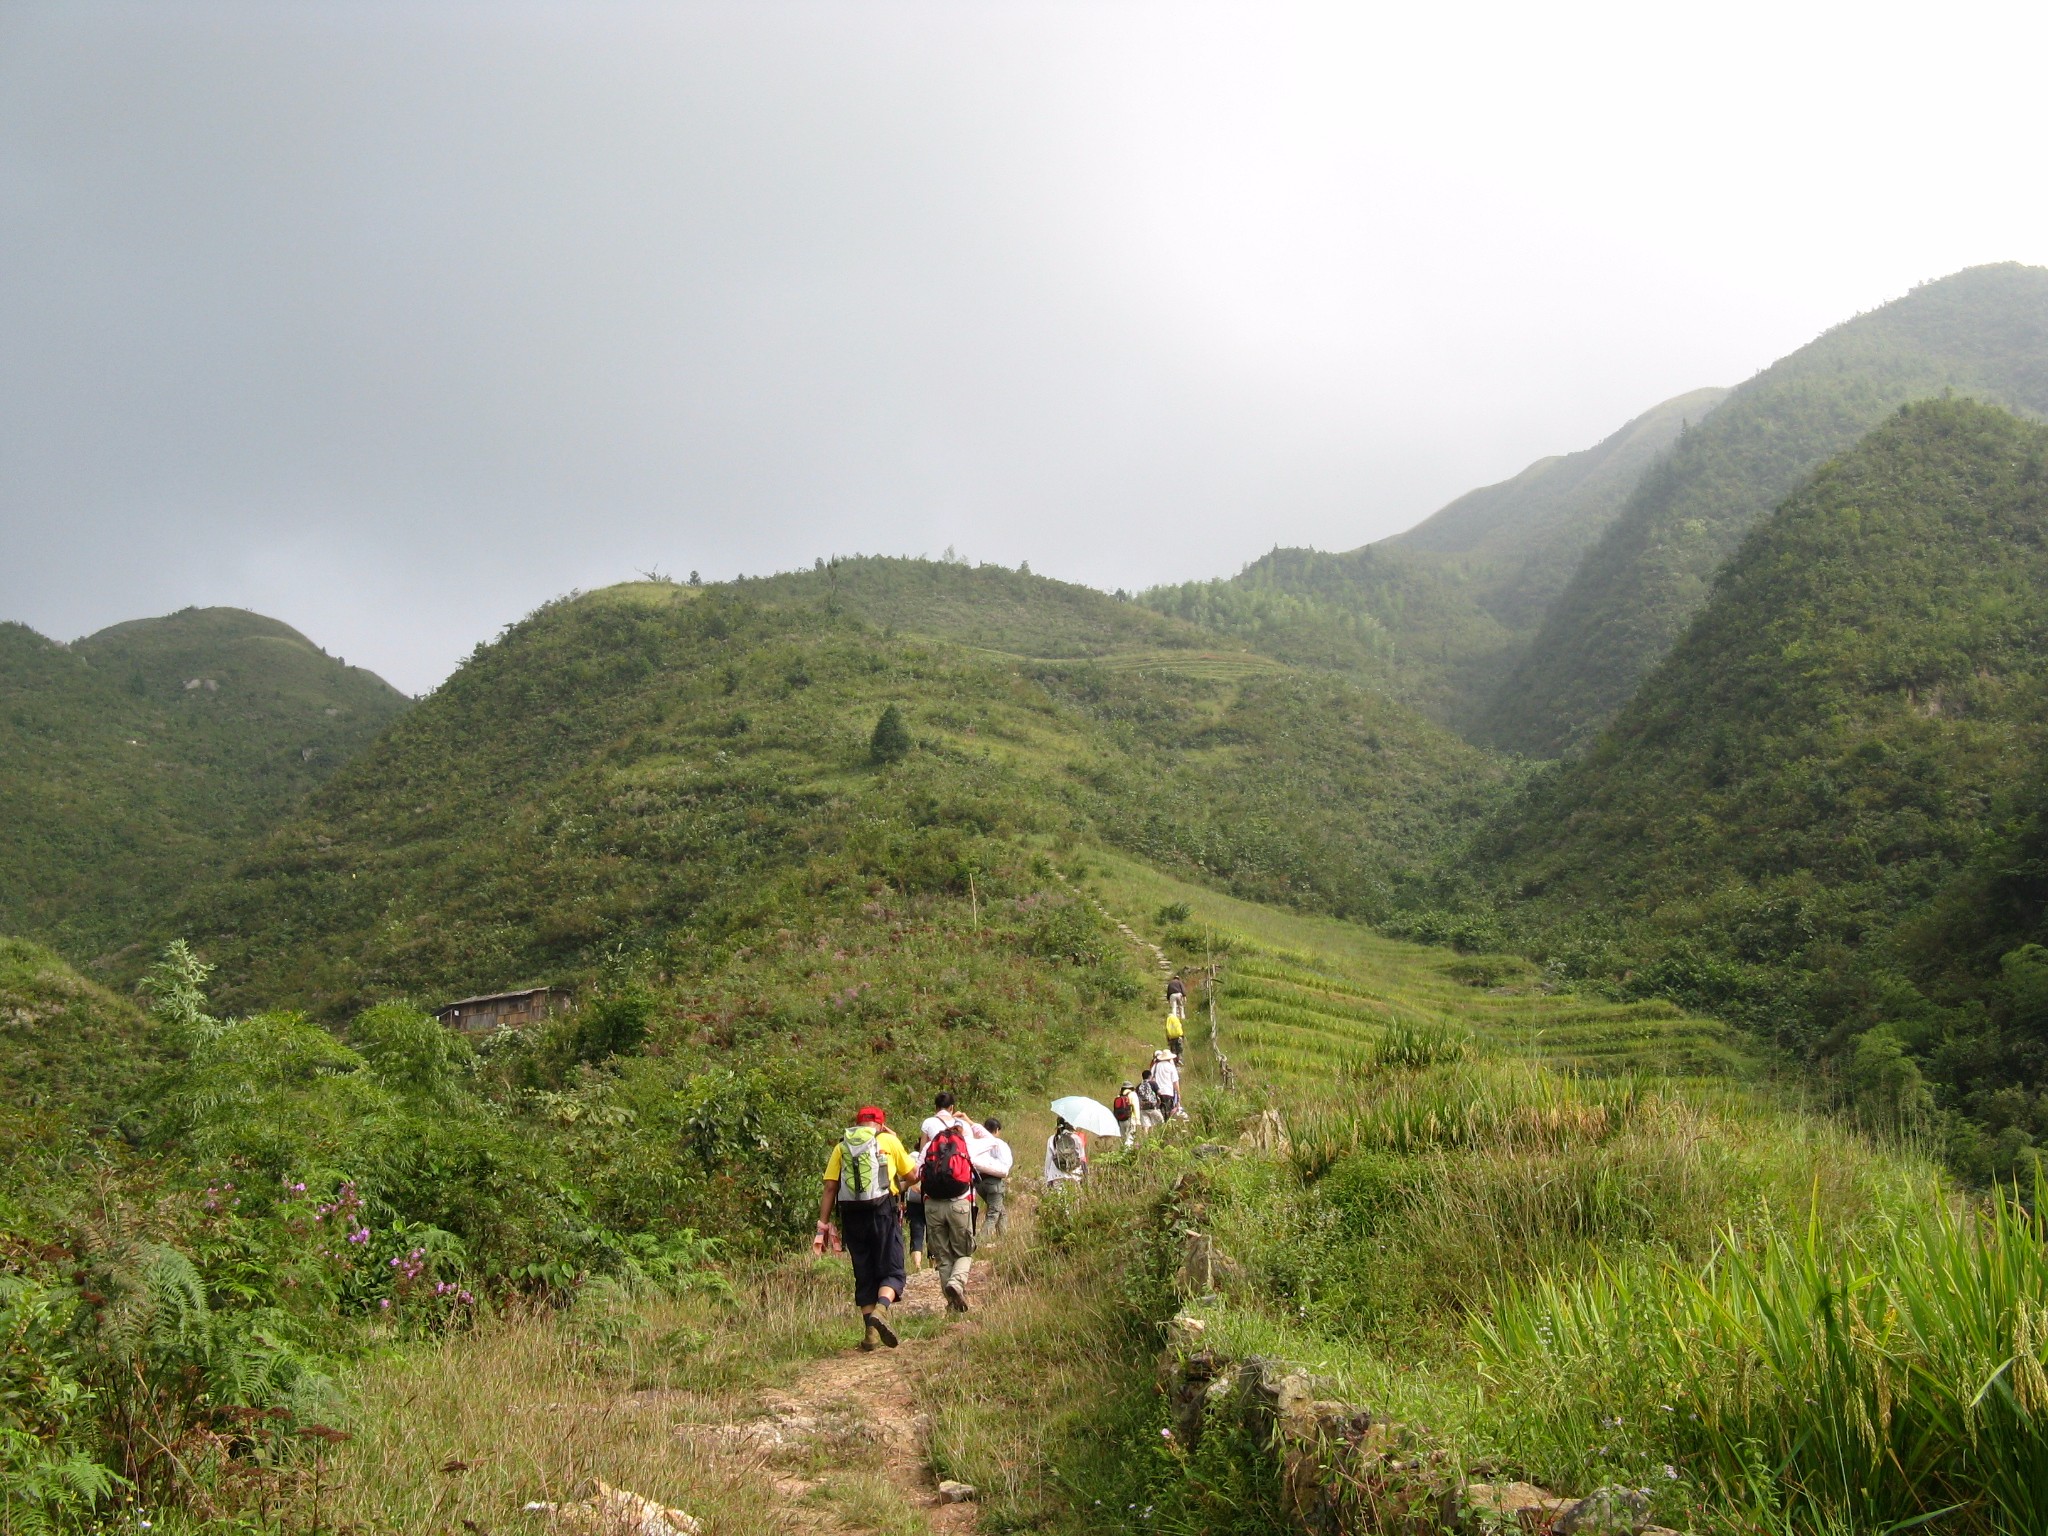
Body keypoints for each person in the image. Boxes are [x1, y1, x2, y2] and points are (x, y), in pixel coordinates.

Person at [816, 1105, 917, 1351]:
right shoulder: (888, 1142)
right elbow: (914, 1175)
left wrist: (823, 1225)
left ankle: (870, 1335)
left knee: (864, 1271)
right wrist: (897, 1185)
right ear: (881, 1124)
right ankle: (881, 1310)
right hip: (883, 1211)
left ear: (857, 1123)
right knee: (893, 1270)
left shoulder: (842, 1147)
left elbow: (830, 1187)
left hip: (852, 1216)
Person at [919, 1097, 979, 1312]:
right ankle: (956, 1284)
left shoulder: (929, 1146)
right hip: (959, 1204)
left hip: (933, 1206)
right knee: (964, 1253)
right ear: (953, 1109)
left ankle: (952, 1306)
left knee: (943, 1258)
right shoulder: (965, 1143)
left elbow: (919, 1173)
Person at [973, 1116, 1014, 1238]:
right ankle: (981, 1239)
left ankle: (1004, 1237)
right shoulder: (999, 1144)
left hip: (979, 1183)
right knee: (993, 1213)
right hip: (994, 1183)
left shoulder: (977, 1143)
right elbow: (1006, 1164)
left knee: (1001, 1210)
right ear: (996, 1130)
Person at [1044, 1117, 1087, 1188]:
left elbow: (1048, 1161)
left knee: (1058, 1198)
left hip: (1056, 1176)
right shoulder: (1077, 1139)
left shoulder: (1052, 1139)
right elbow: (1082, 1159)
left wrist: (1047, 1178)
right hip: (1074, 1176)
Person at [1151, 1050, 1183, 1120]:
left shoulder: (1156, 1066)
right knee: (1167, 1113)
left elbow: (1151, 1079)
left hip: (1157, 1092)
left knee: (1158, 1111)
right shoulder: (1171, 1067)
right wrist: (1178, 1094)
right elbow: (1175, 1082)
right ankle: (1165, 1126)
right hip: (1168, 1092)